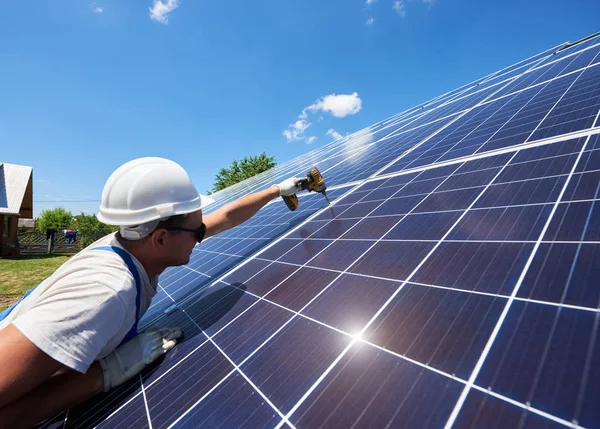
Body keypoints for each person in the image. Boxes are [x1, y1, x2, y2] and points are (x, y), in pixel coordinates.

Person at [0, 157, 305, 428]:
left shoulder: (130, 240)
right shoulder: (104, 295)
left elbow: (222, 217)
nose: (202, 234)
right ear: (160, 239)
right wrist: (104, 374)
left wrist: (276, 190)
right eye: (196, 230)